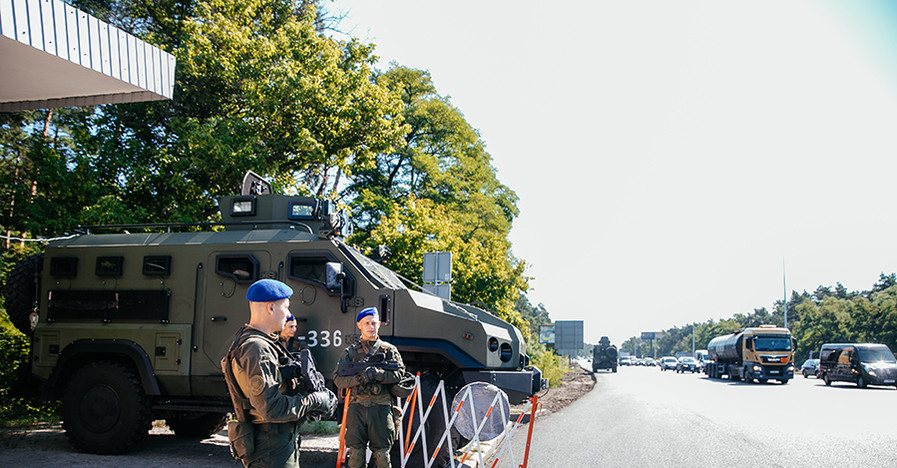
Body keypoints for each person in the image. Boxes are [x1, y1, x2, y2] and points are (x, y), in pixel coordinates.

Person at [222, 279, 337, 467]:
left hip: (277, 443)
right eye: (286, 307)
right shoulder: (257, 348)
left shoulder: (261, 343)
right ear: (271, 308)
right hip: (271, 448)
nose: (289, 314)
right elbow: (272, 408)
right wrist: (314, 400)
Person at [333, 307, 406, 468]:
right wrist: (359, 379)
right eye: (367, 323)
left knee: (382, 455)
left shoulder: (389, 351)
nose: (371, 327)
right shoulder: (350, 352)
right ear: (359, 325)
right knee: (355, 454)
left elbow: (400, 374)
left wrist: (377, 374)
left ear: (379, 324)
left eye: (374, 323)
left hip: (381, 407)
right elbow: (338, 379)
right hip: (357, 407)